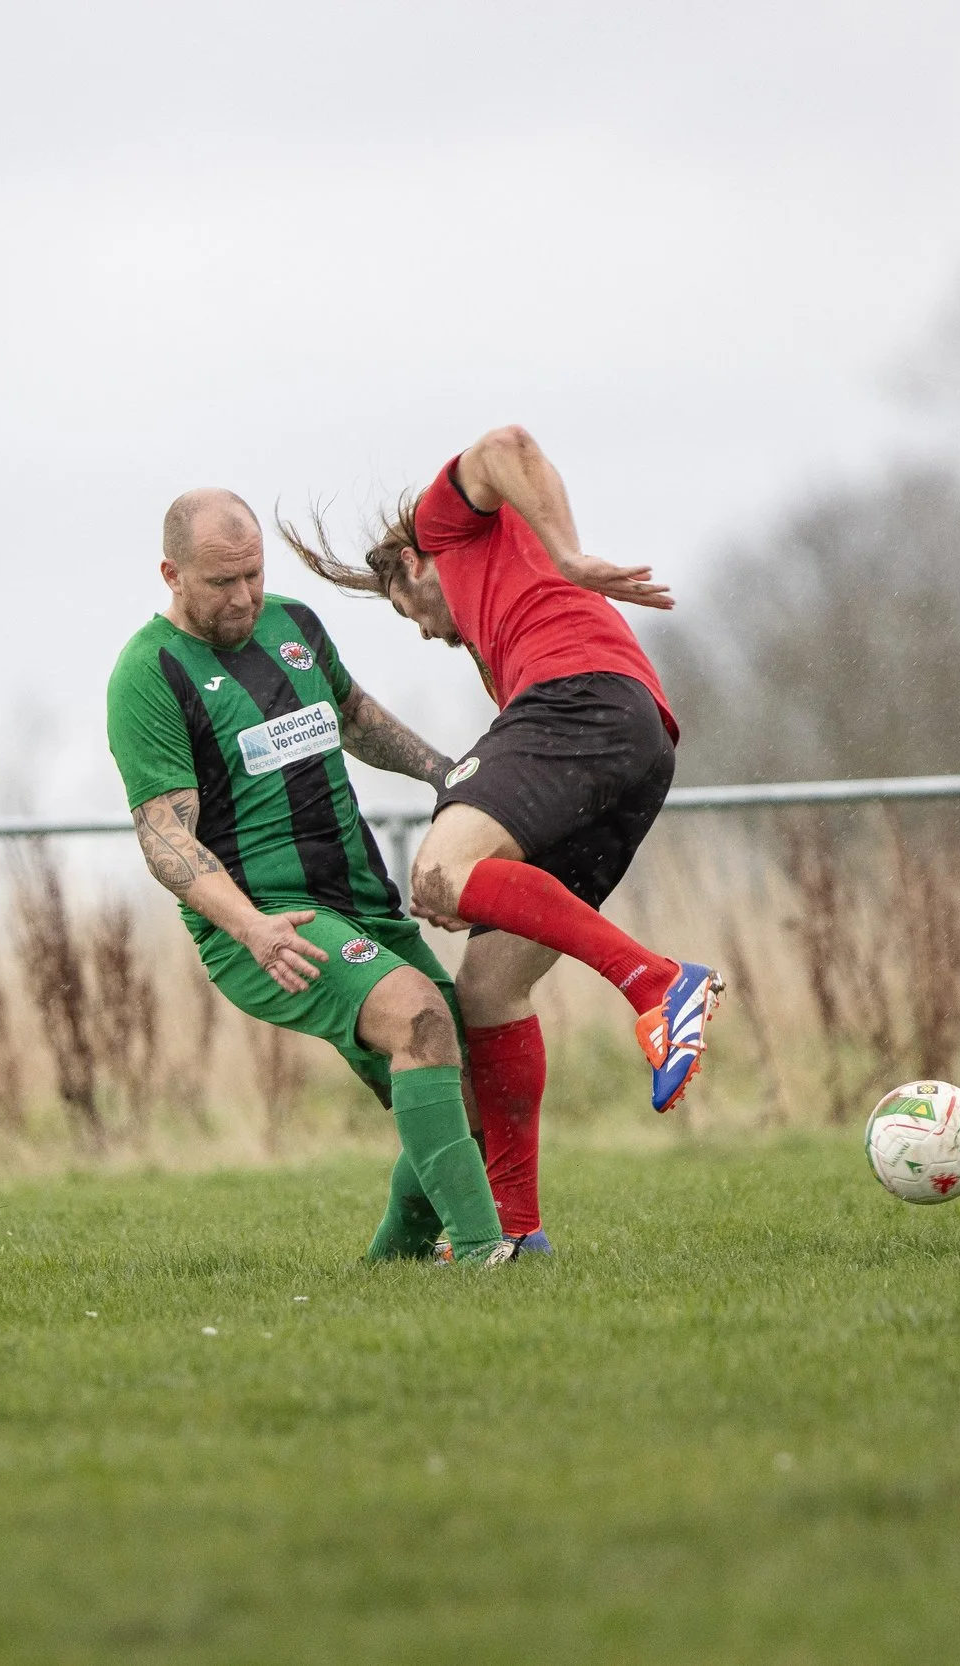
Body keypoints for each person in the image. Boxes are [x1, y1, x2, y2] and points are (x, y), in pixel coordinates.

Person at [282, 424, 725, 1248]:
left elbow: (507, 447)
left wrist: (569, 555)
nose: (422, 631)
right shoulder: (498, 648)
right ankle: (518, 1233)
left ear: (413, 565)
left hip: (581, 701)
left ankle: (657, 984)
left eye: (408, 611)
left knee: (436, 872)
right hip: (639, 743)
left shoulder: (448, 528)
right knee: (487, 987)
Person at [107, 488, 517, 1265]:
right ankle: (483, 1253)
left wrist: (447, 776)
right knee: (421, 1018)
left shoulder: (293, 625)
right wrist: (249, 926)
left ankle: (393, 1263)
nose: (245, 597)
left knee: (464, 1079)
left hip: (363, 900)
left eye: (253, 574)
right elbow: (165, 836)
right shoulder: (148, 674)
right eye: (222, 582)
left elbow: (355, 716)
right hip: (270, 923)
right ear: (171, 573)